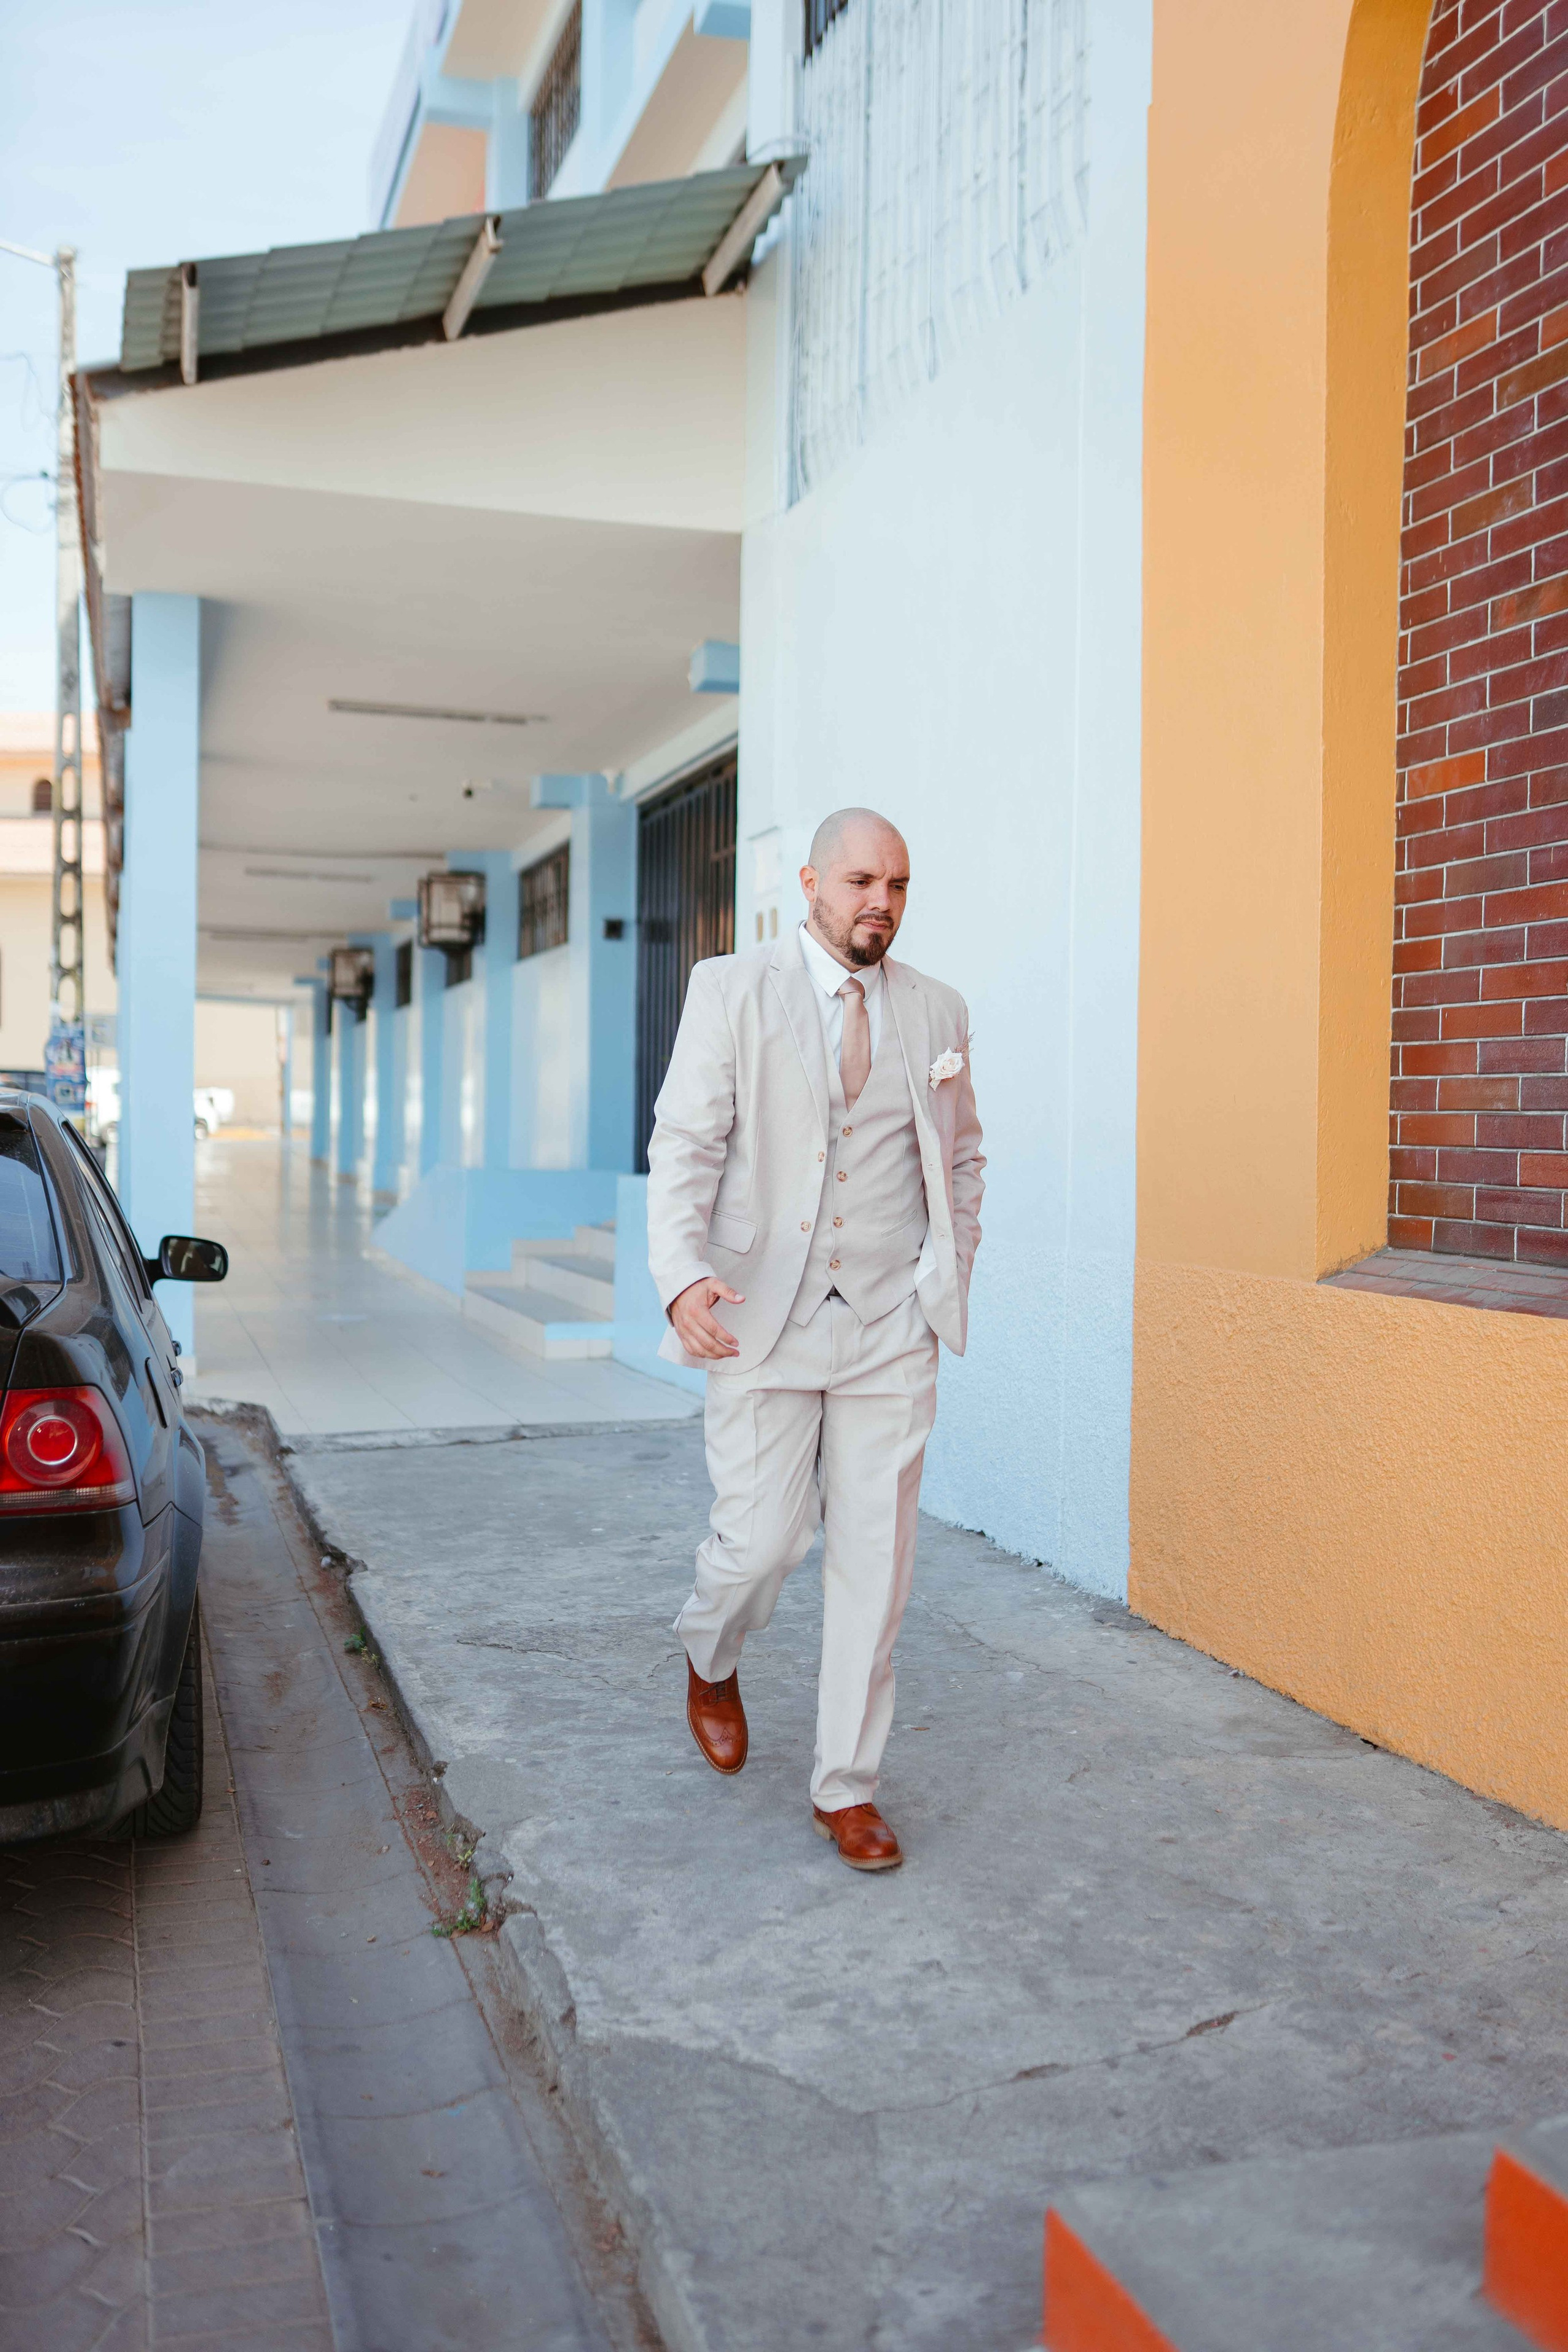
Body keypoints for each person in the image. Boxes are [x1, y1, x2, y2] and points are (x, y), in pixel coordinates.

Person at [646, 807, 984, 1869]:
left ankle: (847, 1785)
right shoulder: (730, 989)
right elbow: (687, 1142)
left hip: (892, 1325)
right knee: (759, 1546)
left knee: (874, 1570)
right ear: (808, 884)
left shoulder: (938, 1010)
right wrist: (683, 1278)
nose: (878, 901)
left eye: (895, 884)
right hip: (763, 1317)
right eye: (858, 882)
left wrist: (950, 1266)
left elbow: (964, 1153)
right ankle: (712, 1655)